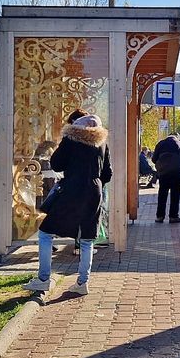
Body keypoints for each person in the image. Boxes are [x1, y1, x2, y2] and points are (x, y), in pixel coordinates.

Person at [23, 114, 112, 295]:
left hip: (72, 189)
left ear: (77, 127)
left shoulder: (71, 139)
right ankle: (82, 283)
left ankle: (43, 279)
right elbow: (107, 173)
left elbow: (56, 164)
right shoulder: (101, 143)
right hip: (94, 191)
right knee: (87, 238)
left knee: (46, 232)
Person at [152, 133, 180, 223]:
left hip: (164, 173)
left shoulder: (160, 144)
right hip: (177, 173)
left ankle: (160, 216)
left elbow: (154, 159)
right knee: (175, 195)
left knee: (162, 194)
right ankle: (173, 217)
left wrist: (162, 165)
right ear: (176, 137)